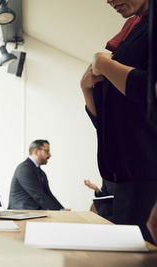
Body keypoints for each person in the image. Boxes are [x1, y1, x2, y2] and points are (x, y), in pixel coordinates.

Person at [80, 0, 157, 243]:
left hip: (147, 175)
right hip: (123, 178)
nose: (110, 0)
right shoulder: (134, 30)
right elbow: (107, 120)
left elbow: (148, 90)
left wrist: (104, 63)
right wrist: (86, 90)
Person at [8, 140, 65, 210]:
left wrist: (61, 209)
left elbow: (48, 195)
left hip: (34, 212)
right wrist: (58, 211)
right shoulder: (24, 168)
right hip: (21, 213)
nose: (50, 155)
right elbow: (38, 195)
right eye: (47, 151)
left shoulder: (41, 173)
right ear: (36, 151)